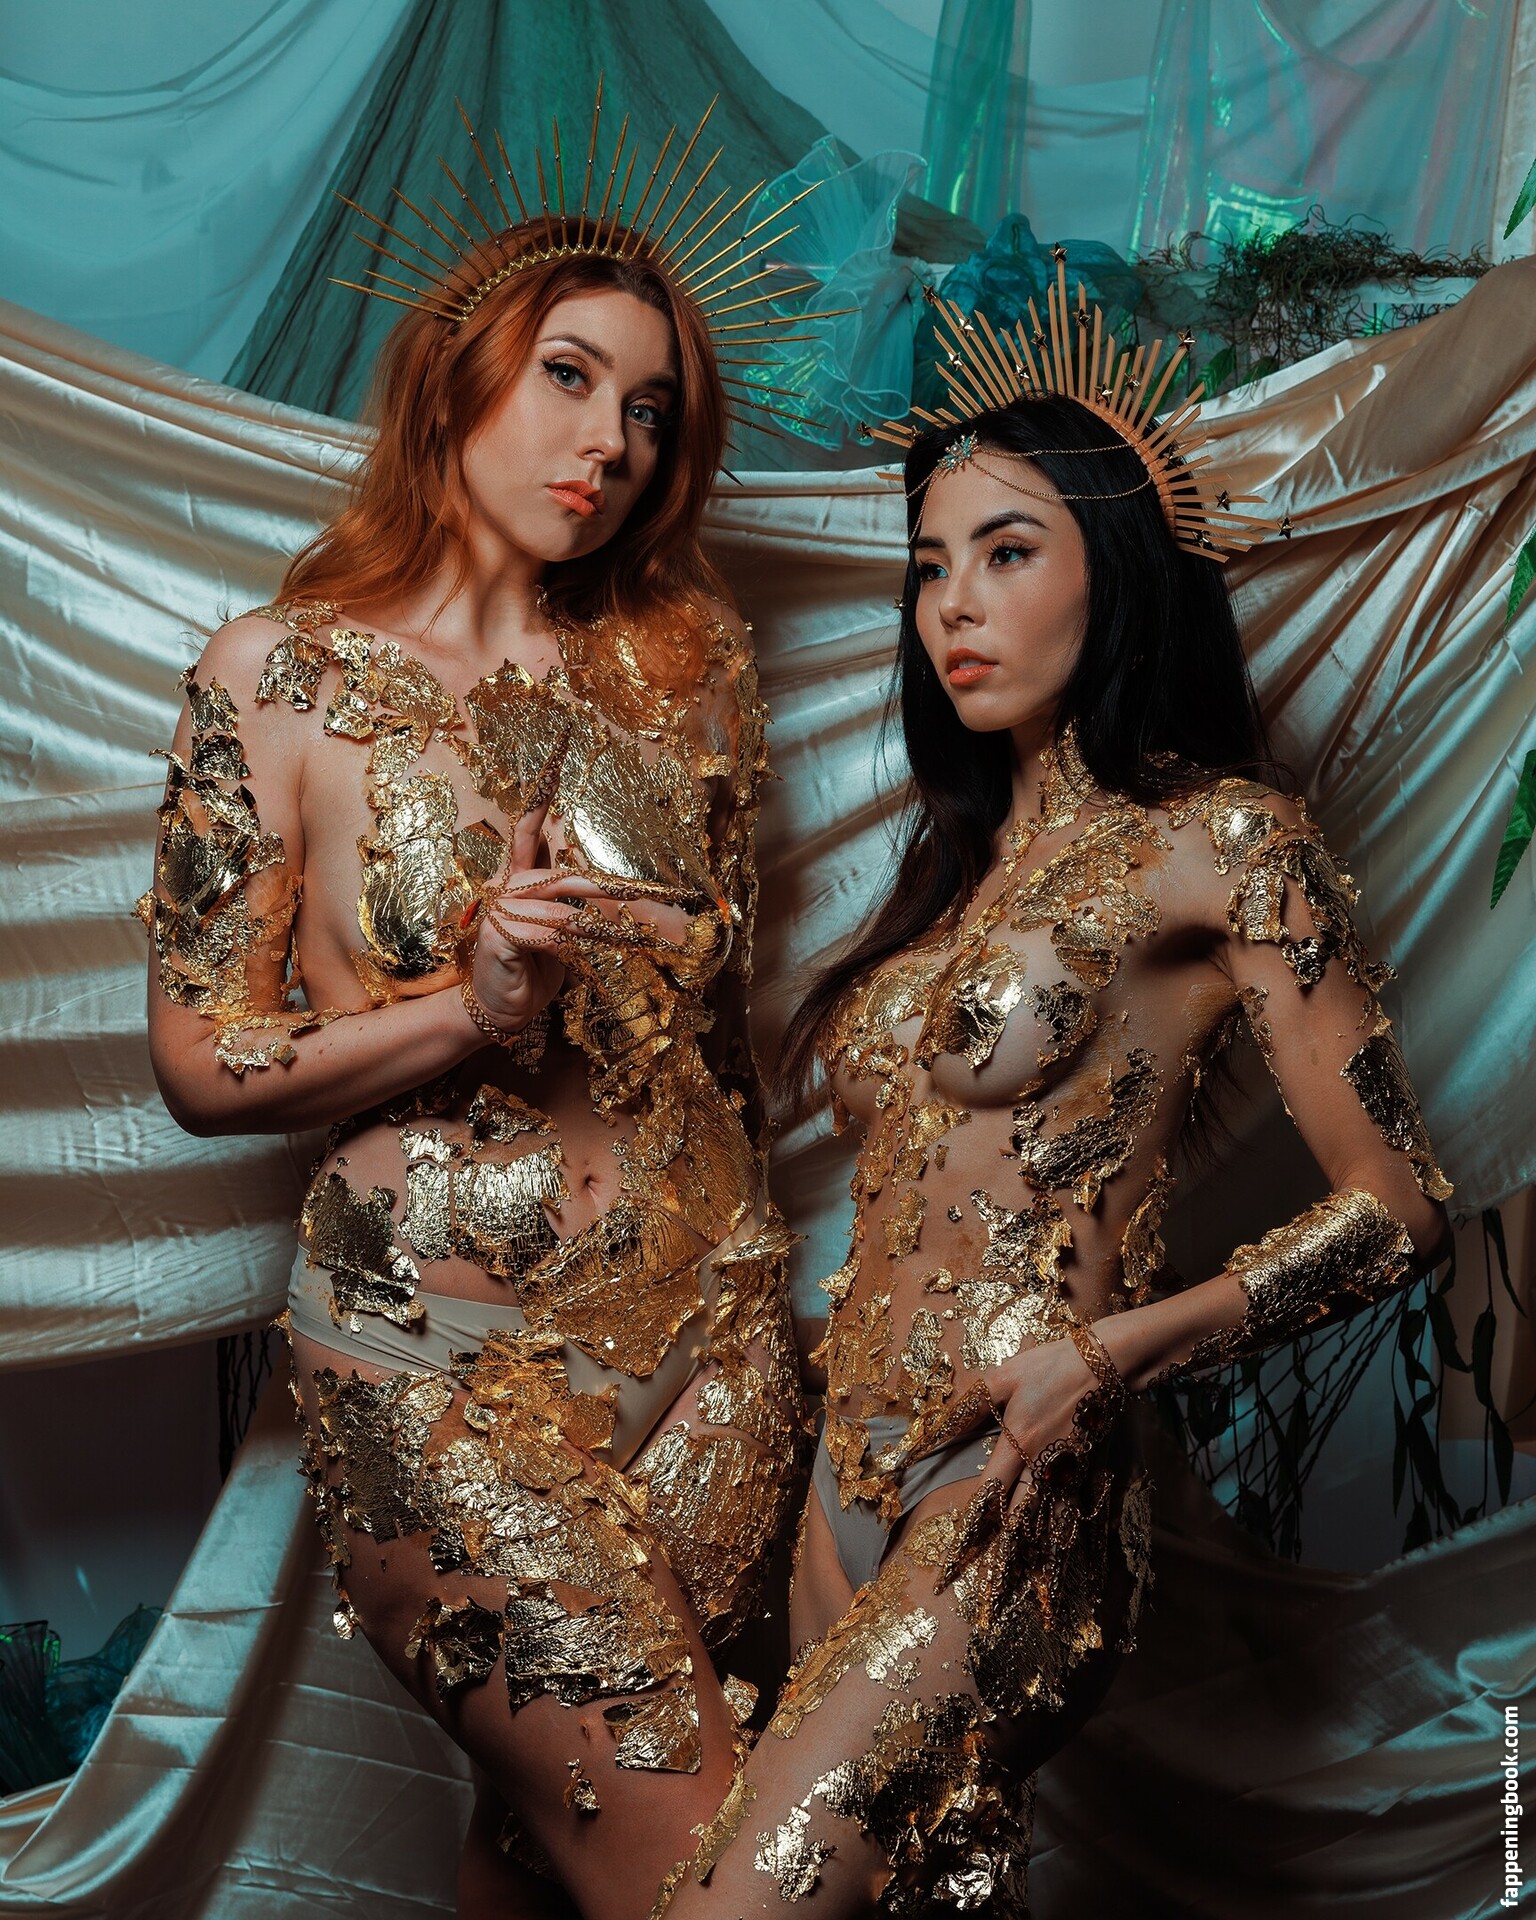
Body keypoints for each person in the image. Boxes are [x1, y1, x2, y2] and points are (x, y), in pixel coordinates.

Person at [652, 274, 1454, 1916]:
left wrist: (1102, 1360)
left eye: (1008, 553)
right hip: (843, 1478)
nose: (954, 604)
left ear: (1120, 569)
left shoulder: (1221, 844)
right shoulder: (947, 886)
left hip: (1015, 1481)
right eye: (929, 566)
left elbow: (1400, 1209)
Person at [140, 98, 814, 1920]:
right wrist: (473, 1001)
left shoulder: (690, 667)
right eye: (569, 376)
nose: (609, 442)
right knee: (713, 1866)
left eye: (649, 411)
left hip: (716, 1347)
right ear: (455, 377)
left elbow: (721, 1042)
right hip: (439, 1359)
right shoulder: (275, 680)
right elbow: (203, 1062)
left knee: (551, 1850)